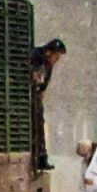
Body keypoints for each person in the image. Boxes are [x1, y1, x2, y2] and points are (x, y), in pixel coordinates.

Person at [30, 39, 67, 171]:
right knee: (34, 122)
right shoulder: (35, 56)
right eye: (57, 56)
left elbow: (43, 87)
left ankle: (41, 157)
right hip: (28, 94)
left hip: (35, 95)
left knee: (39, 121)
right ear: (49, 52)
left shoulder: (48, 66)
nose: (57, 60)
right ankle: (37, 155)